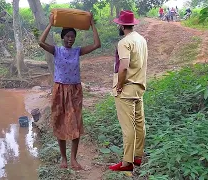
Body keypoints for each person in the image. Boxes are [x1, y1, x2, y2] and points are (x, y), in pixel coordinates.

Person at [38, 13, 101, 170]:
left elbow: (97, 45)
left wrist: (93, 25)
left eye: (72, 36)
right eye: (67, 36)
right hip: (59, 90)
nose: (70, 39)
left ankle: (73, 159)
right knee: (60, 122)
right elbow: (40, 42)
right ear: (62, 37)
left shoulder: (77, 51)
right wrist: (51, 25)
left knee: (75, 124)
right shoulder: (56, 50)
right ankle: (64, 159)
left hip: (74, 91)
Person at [110, 10, 148, 172]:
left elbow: (124, 66)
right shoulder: (141, 40)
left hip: (126, 90)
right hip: (139, 88)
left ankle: (127, 163)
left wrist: (119, 85)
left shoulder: (124, 42)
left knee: (128, 128)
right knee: (140, 124)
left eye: (118, 23)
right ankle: (138, 156)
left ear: (121, 25)